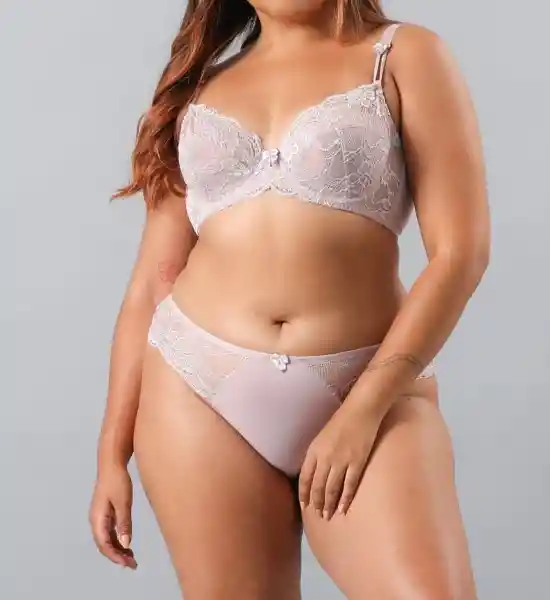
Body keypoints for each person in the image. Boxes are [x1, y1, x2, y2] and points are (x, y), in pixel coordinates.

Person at [89, 1, 490, 598]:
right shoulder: (198, 88)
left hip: (366, 382)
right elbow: (153, 279)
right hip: (198, 387)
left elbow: (460, 253)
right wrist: (110, 454)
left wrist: (361, 411)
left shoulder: (402, 56)